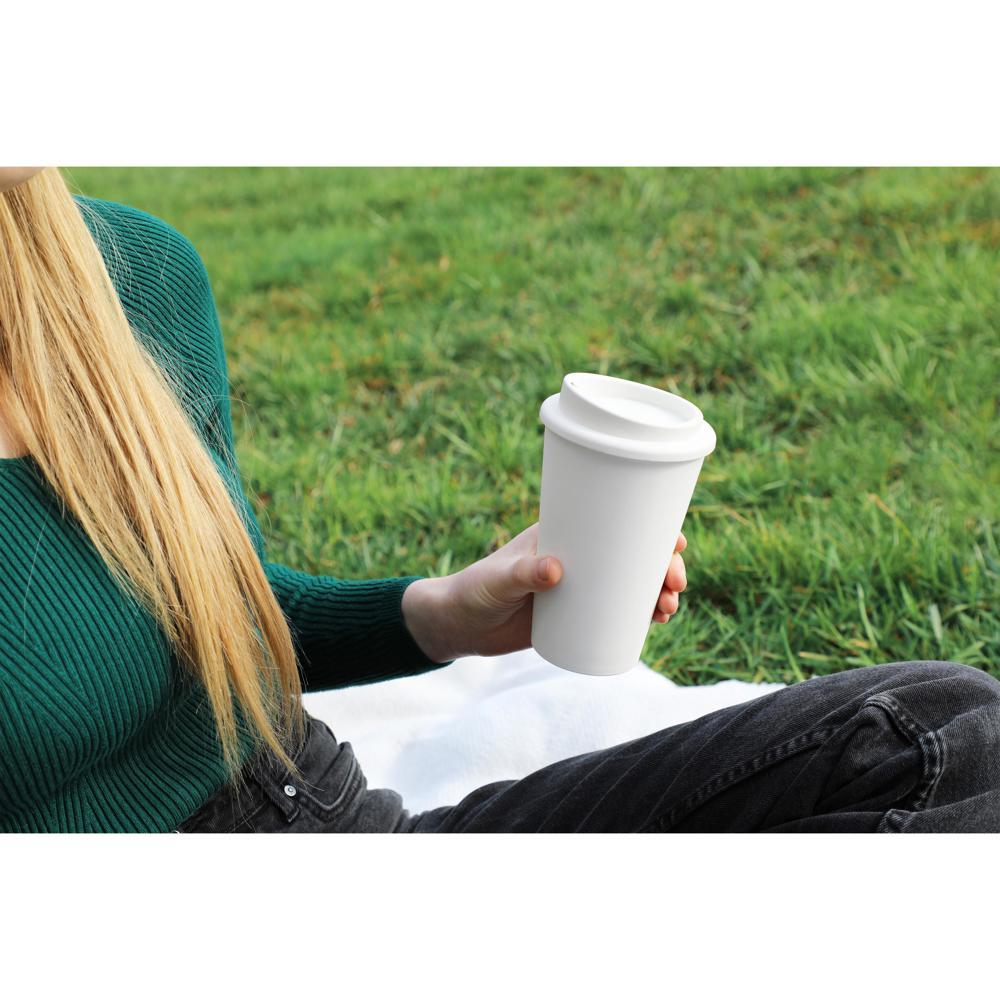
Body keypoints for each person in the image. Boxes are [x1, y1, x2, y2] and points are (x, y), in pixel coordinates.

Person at [1, 167, 997, 834]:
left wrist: (442, 613)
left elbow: (220, 611)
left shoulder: (128, 277)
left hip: (332, 822)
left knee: (937, 733)